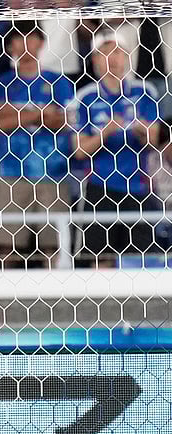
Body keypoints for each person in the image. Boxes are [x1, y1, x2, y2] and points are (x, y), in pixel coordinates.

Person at [0, 23, 75, 264]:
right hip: (10, 170)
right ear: (9, 46)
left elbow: (64, 121)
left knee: (54, 243)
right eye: (18, 39)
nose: (24, 44)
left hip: (53, 169)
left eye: (30, 38)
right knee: (7, 243)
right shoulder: (2, 82)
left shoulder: (58, 81)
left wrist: (16, 114)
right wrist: (39, 114)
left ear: (41, 43)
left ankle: (61, 297)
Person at [71, 31, 162, 265]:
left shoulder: (145, 92)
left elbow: (156, 141)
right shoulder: (85, 97)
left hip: (139, 186)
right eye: (104, 52)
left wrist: (143, 131)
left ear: (127, 56)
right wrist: (106, 132)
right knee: (99, 258)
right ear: (94, 60)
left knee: (141, 256)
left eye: (117, 51)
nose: (112, 58)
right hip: (100, 186)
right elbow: (79, 150)